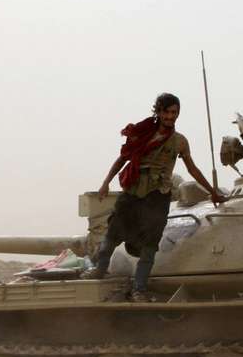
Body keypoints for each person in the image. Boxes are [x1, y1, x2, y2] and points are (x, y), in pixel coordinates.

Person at [83, 92, 225, 302]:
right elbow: (122, 159)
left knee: (150, 245)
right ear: (158, 112)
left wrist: (212, 191)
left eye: (174, 112)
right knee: (113, 233)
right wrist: (106, 183)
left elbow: (192, 169)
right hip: (133, 192)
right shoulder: (142, 134)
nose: (170, 116)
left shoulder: (179, 142)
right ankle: (99, 270)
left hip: (157, 197)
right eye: (166, 112)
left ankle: (139, 288)